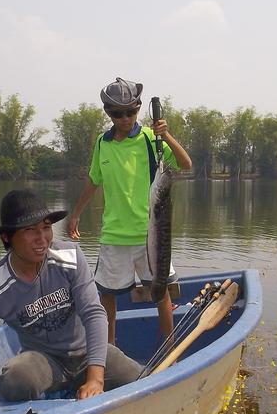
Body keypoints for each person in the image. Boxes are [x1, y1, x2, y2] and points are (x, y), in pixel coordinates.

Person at [0, 189, 142, 401]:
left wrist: (95, 379)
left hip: (87, 354)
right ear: (7, 237)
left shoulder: (70, 258)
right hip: (45, 362)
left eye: (46, 228)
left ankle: (84, 384)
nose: (42, 239)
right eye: (31, 230)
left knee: (141, 379)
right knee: (15, 380)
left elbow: (94, 314)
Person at [68, 77, 192, 344]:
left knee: (160, 291)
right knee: (107, 296)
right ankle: (108, 351)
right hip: (114, 236)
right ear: (108, 113)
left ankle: (169, 344)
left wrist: (165, 134)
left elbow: (185, 164)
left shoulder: (150, 139)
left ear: (138, 109)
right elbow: (93, 179)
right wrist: (75, 214)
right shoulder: (103, 143)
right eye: (118, 113)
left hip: (151, 235)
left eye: (131, 111)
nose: (125, 118)